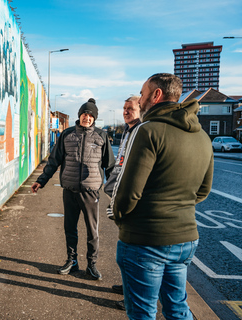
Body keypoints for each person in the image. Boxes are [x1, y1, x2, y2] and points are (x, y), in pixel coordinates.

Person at [113, 73, 214, 319]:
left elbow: (128, 191)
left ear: (156, 95)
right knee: (177, 307)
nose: (141, 99)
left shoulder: (148, 130)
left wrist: (119, 217)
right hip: (185, 239)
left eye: (144, 93)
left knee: (142, 312)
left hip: (145, 239)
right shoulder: (202, 135)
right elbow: (203, 190)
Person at [31, 98, 115, 280]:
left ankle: (91, 265)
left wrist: (114, 192)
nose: (87, 117)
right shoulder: (67, 135)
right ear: (80, 115)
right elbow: (54, 161)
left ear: (95, 118)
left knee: (92, 231)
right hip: (69, 189)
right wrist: (41, 180)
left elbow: (110, 166)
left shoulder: (101, 136)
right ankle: (72, 260)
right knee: (70, 227)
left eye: (91, 115)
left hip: (91, 191)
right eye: (85, 114)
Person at [103, 95, 141, 310]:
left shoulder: (140, 131)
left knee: (131, 253)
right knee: (125, 252)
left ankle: (132, 297)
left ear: (140, 109)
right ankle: (128, 288)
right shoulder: (127, 130)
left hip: (128, 200)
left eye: (131, 108)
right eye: (124, 108)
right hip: (117, 194)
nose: (126, 112)